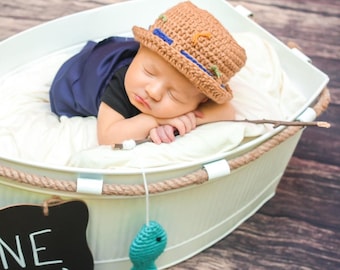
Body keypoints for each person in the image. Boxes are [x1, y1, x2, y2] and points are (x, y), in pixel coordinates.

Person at [49, 1, 247, 145]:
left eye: (173, 94)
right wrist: (155, 120)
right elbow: (108, 137)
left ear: (202, 99)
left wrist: (184, 120)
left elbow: (227, 112)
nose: (153, 92)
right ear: (140, 48)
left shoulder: (194, 88)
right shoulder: (120, 82)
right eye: (149, 72)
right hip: (78, 80)